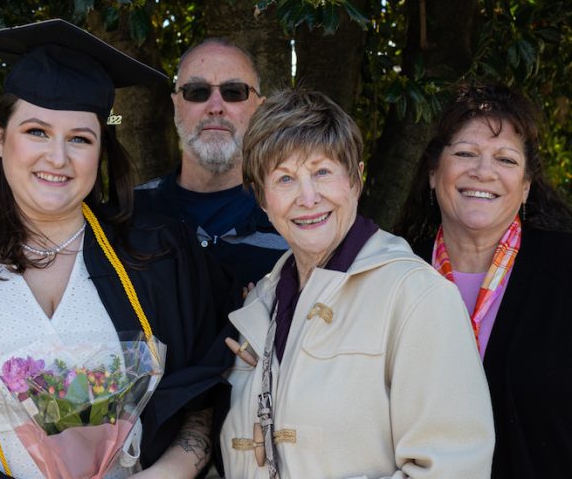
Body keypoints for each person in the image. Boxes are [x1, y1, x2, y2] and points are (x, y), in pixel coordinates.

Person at [0, 19, 239, 479]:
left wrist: (170, 472)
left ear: (100, 150)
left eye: (79, 138)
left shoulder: (159, 255)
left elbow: (207, 386)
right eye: (36, 131)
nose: (57, 157)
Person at [219, 88, 495, 478]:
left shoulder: (417, 296)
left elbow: (453, 467)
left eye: (322, 172)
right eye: (284, 178)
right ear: (262, 199)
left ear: (356, 180)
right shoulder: (260, 305)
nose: (308, 197)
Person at [395, 83, 572, 478]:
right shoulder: (392, 273)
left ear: (525, 186)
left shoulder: (564, 272)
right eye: (465, 153)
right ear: (432, 172)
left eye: (506, 160)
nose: (483, 171)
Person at [135, 38, 288, 287]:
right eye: (197, 91)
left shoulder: (297, 220)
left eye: (234, 92)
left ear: (259, 108)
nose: (215, 107)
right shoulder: (125, 215)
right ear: (176, 105)